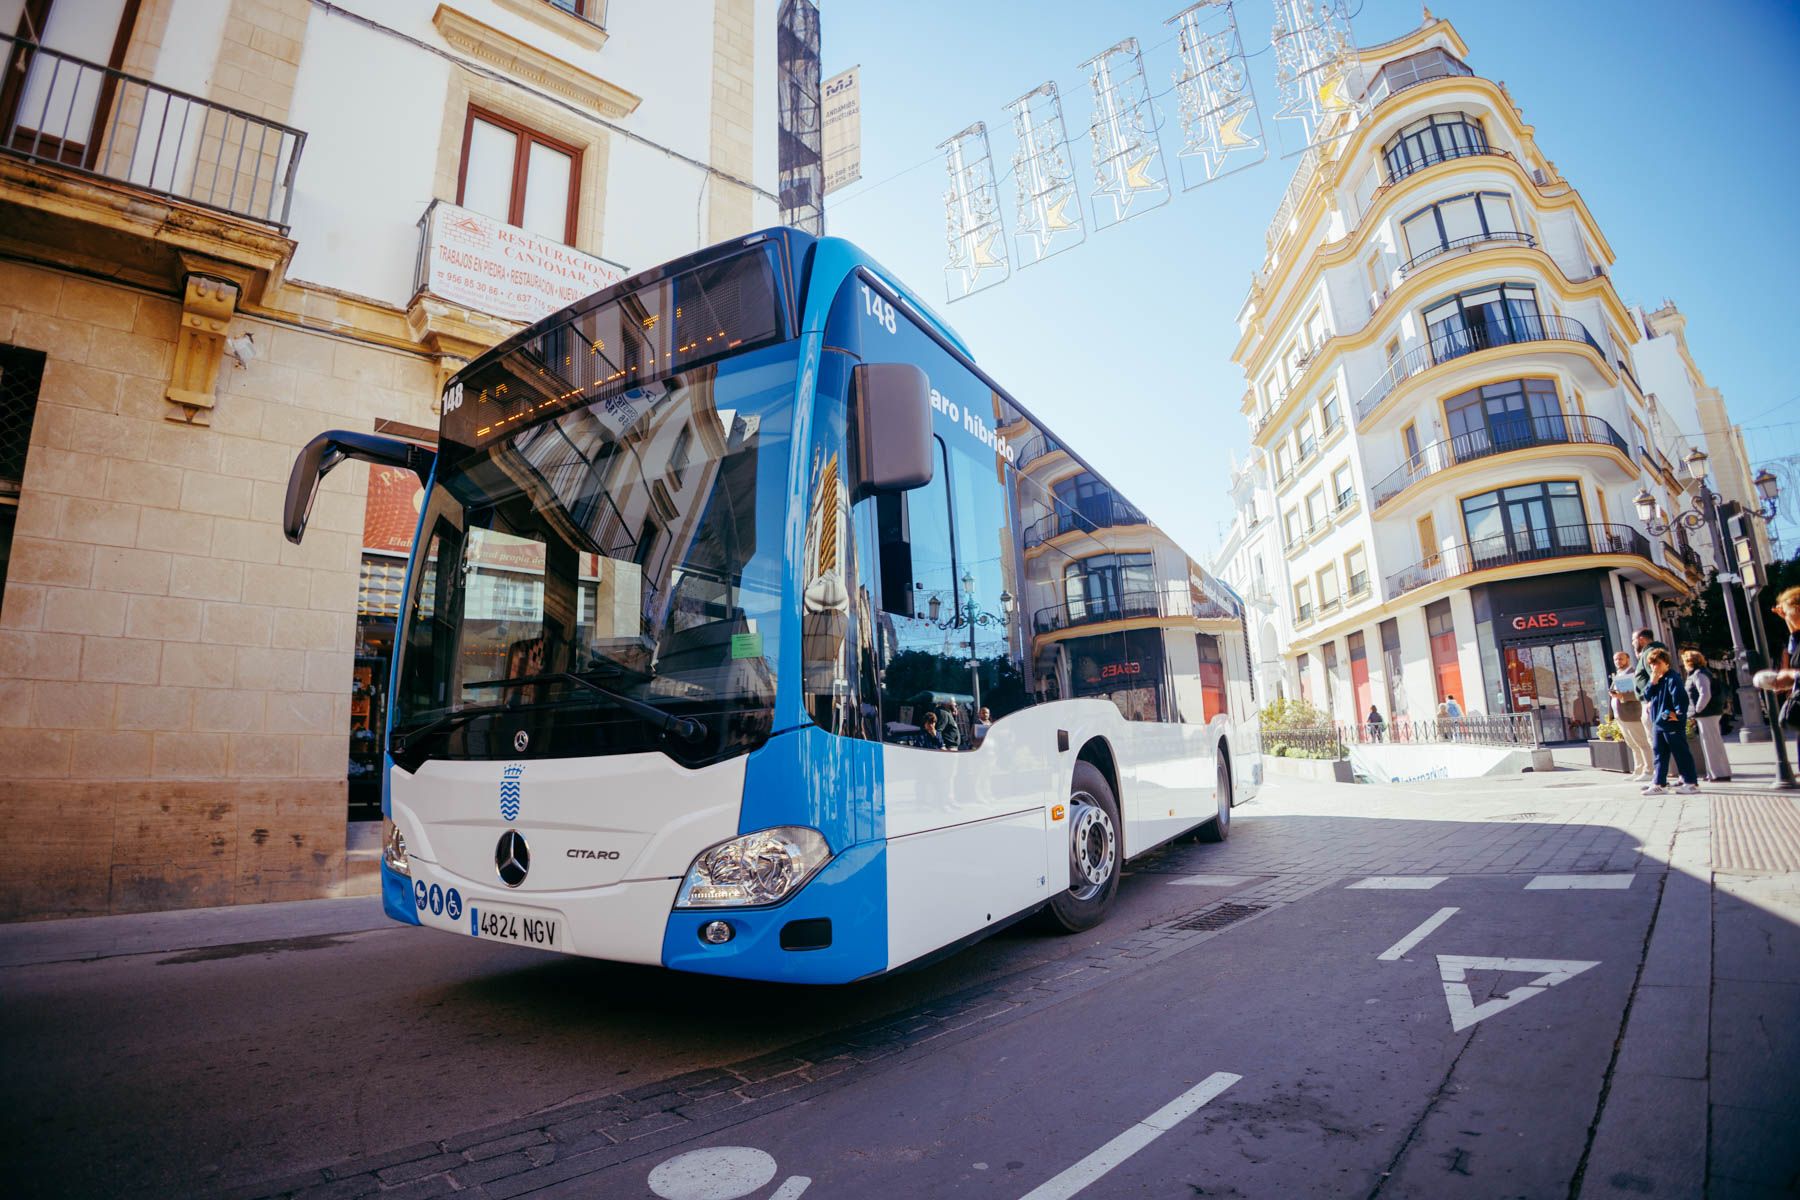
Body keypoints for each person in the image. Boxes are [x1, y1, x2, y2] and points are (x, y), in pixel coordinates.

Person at [1641, 647, 1700, 795]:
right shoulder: (1657, 679)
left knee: (1681, 753)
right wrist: (1652, 682)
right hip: (1659, 724)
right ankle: (1659, 783)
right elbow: (1647, 696)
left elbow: (1681, 701)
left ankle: (1691, 782)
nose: (1654, 667)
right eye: (1652, 664)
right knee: (1659, 754)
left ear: (1666, 663)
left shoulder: (1673, 678)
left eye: (1657, 663)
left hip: (1670, 724)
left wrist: (1674, 717)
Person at [1682, 649, 1731, 782]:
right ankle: (1716, 772)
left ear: (1689, 662)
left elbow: (1705, 693)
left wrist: (1697, 710)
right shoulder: (1702, 672)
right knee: (1712, 742)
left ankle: (1718, 773)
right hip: (1709, 712)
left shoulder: (1698, 674)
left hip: (1706, 714)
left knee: (1711, 743)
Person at [1766, 585, 1800, 769]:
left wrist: (1792, 675)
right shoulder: (1797, 637)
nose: (1784, 615)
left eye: (1787, 611)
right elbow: (1794, 640)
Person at [1608, 649, 1653, 780]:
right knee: (1632, 744)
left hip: (1632, 714)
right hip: (1621, 715)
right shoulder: (1618, 674)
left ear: (1628, 659)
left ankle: (1649, 771)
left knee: (1642, 743)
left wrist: (1622, 695)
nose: (1618, 661)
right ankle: (1638, 770)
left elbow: (1639, 693)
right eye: (1616, 659)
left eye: (1621, 659)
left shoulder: (1634, 674)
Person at [1632, 627, 1672, 699]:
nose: (1632, 643)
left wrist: (1652, 700)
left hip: (1653, 700)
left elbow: (1657, 676)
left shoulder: (1650, 653)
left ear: (1641, 639)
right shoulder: (1648, 652)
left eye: (1633, 640)